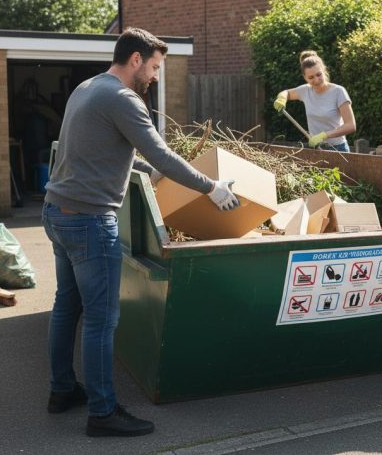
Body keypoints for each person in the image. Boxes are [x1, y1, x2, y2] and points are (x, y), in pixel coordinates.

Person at [42, 27, 240, 437]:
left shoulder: (88, 87)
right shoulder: (122, 98)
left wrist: (142, 170)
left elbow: (91, 152)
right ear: (135, 59)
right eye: (153, 67)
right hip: (89, 221)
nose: (154, 76)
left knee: (67, 306)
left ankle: (62, 390)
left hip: (57, 213)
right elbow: (163, 155)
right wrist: (212, 187)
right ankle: (102, 412)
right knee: (101, 320)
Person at [273, 51, 356, 152]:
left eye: (319, 74)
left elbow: (351, 126)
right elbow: (286, 92)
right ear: (305, 78)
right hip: (316, 150)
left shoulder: (338, 91)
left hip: (338, 149)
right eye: (311, 77)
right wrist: (282, 97)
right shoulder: (305, 91)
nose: (316, 80)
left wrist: (324, 135)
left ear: (324, 70)